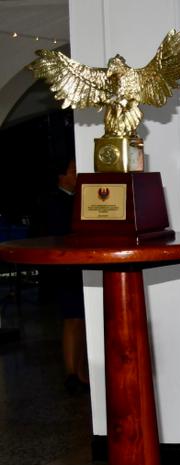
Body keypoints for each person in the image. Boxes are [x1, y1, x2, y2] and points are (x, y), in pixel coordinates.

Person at [45, 156, 90, 393]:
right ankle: (72, 373)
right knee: (73, 320)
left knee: (80, 320)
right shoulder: (56, 202)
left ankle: (79, 371)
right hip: (65, 269)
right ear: (61, 177)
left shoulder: (71, 200)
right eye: (73, 170)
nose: (77, 175)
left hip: (73, 267)